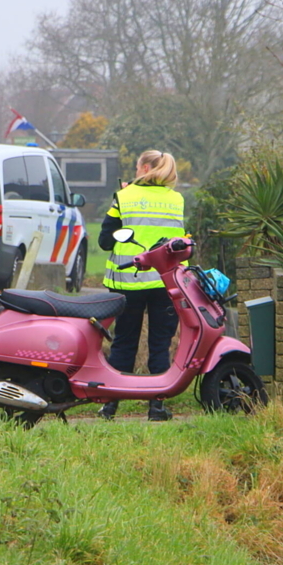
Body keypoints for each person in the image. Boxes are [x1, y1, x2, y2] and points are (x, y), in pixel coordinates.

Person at [98, 150, 185, 421]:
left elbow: (104, 241)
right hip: (164, 282)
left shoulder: (124, 197)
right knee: (160, 344)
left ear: (145, 167)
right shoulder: (176, 200)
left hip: (128, 282)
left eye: (137, 168)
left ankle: (110, 404)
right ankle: (157, 406)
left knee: (124, 343)